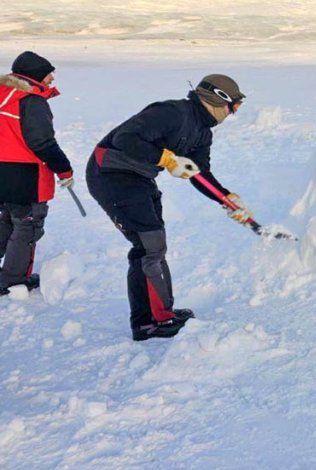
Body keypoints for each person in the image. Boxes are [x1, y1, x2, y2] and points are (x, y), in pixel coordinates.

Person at [86, 74, 253, 340]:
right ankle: (151, 323)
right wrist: (164, 157)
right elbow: (126, 139)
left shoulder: (202, 132)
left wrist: (226, 199)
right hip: (111, 173)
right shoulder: (171, 112)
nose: (234, 113)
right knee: (149, 247)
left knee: (153, 246)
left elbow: (198, 173)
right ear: (219, 99)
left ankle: (159, 314)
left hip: (140, 178)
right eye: (234, 105)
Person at [0, 52, 74, 296]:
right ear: (34, 76)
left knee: (6, 220)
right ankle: (13, 279)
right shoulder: (30, 101)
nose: (52, 78)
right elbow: (42, 143)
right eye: (48, 73)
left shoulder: (4, 95)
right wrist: (64, 170)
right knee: (27, 226)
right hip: (25, 175)